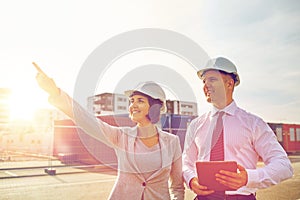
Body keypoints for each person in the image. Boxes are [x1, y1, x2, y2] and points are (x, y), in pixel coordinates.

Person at [33, 63, 184, 200]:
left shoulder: (172, 142)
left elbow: (177, 187)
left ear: (155, 107)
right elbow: (86, 120)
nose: (132, 105)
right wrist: (56, 93)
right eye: (131, 101)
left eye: (140, 101)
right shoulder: (121, 136)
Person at [182, 57, 293, 200]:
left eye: (212, 80)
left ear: (229, 84)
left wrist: (249, 177)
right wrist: (191, 179)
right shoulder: (196, 125)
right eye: (204, 81)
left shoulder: (253, 123)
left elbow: (284, 166)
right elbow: (186, 162)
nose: (206, 85)